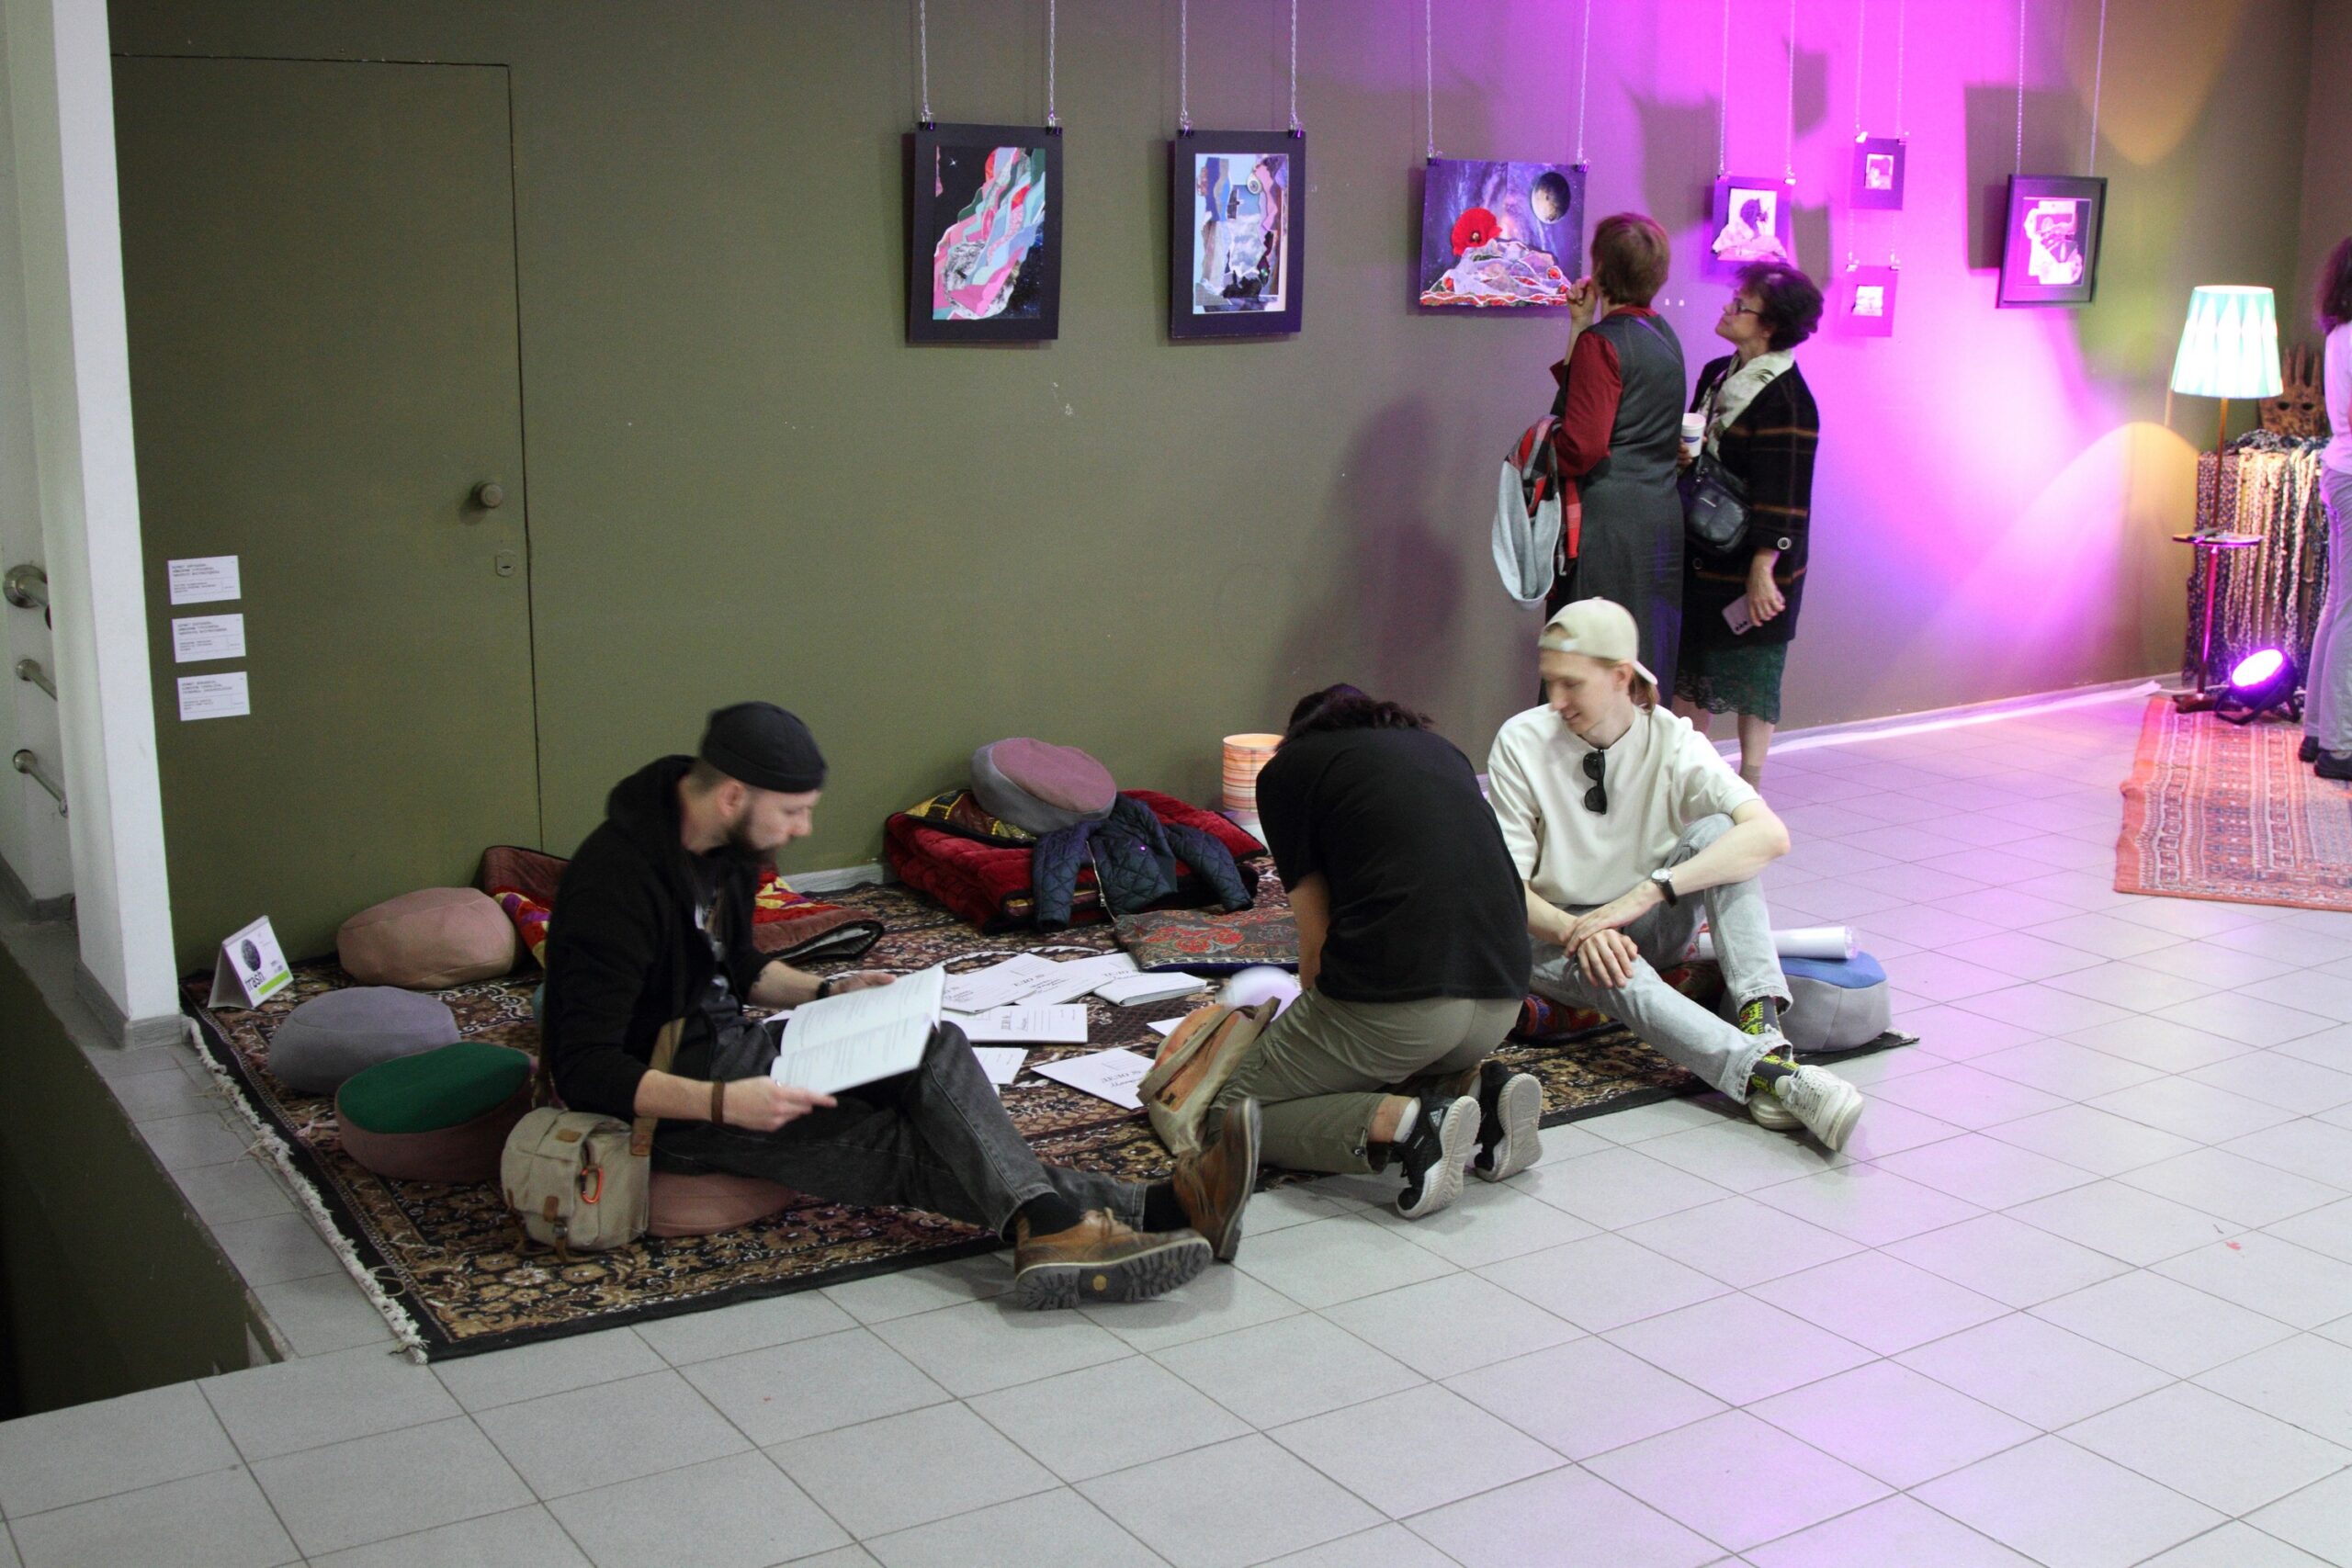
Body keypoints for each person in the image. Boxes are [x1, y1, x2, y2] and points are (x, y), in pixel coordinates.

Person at [540, 702, 1261, 1308]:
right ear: (732, 796)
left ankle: (1064, 1222)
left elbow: (743, 969)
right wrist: (727, 1103)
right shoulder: (618, 885)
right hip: (678, 1106)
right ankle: (1138, 1211)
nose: (800, 830)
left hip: (737, 1052)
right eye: (791, 812)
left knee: (930, 1040)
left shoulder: (716, 843)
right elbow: (586, 1067)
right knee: (899, 1143)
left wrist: (829, 991)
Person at [1487, 599, 1865, 1149]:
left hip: (1649, 921)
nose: (1557, 700)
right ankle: (1773, 1074)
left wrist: (1650, 891)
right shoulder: (1520, 741)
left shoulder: (1672, 738)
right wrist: (1581, 931)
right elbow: (1505, 891)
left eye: (1572, 684)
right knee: (1611, 965)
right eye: (1550, 683)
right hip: (1553, 937)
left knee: (1720, 831)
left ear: (1621, 676)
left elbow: (1770, 835)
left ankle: (1761, 1024)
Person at [1209, 686, 1541, 1218]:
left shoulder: (1288, 771)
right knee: (1389, 1060)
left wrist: (1312, 1025)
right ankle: (1484, 1092)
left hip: (1399, 1003)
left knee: (1228, 1115)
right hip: (1503, 995)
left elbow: (1315, 937)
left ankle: (1410, 1125)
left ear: (1297, 736)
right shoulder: (1442, 751)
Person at [1674, 261, 1825, 789]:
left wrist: (1764, 568)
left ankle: (1750, 786)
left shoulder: (1789, 399)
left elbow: (1786, 493)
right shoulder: (1718, 371)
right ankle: (1690, 780)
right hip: (1702, 544)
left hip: (1756, 560)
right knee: (1692, 671)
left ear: (1769, 326)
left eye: (1741, 305)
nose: (1727, 308)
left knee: (1755, 676)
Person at [1547, 212, 1688, 682]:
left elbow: (1581, 445)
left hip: (1606, 524)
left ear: (1601, 269)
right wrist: (1580, 324)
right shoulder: (1664, 335)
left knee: (1589, 656)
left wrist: (1539, 448)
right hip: (1659, 517)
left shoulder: (1602, 344)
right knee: (1642, 655)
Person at [2305, 237, 2352, 779]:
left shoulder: (2340, 333)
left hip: (2338, 471)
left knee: (2339, 604)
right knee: (2349, 612)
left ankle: (2319, 731)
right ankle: (2340, 748)